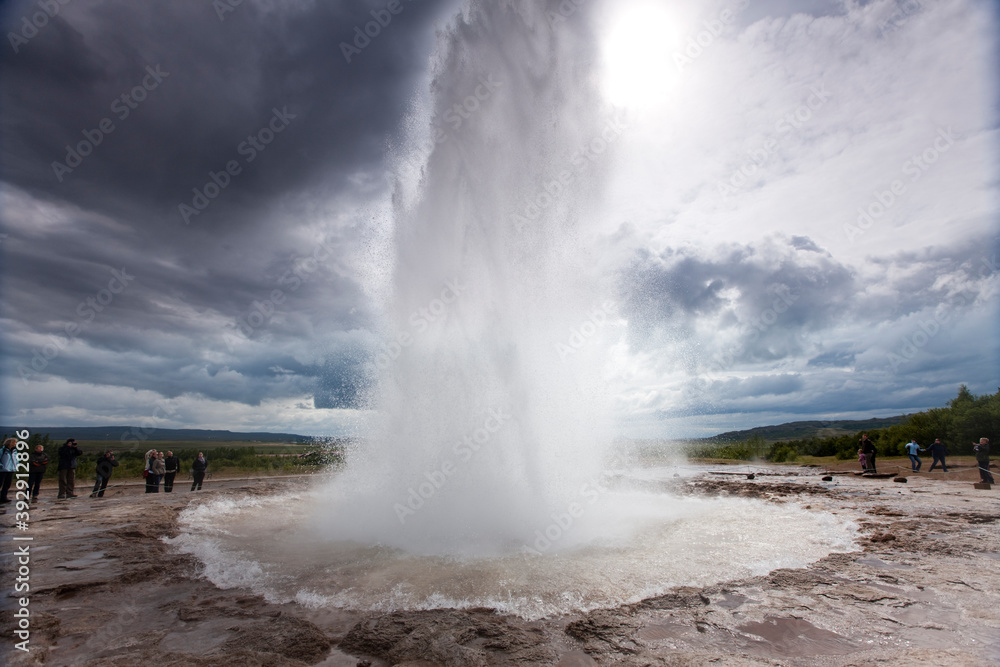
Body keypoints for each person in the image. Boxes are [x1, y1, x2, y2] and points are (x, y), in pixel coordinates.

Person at [0, 438, 18, 504]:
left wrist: (16, 465)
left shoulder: (14, 451)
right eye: (15, 442)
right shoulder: (2, 451)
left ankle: (3, 497)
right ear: (11, 443)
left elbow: (16, 459)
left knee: (7, 484)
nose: (15, 444)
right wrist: (1, 465)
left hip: (11, 469)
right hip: (3, 470)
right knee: (0, 483)